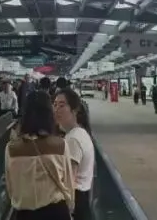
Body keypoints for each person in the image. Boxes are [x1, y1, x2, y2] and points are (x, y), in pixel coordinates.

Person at [5, 90, 74, 220]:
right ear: (49, 115)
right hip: (57, 212)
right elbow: (69, 185)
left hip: (24, 214)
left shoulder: (11, 149)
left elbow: (11, 188)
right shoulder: (60, 145)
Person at [54, 89, 94, 220]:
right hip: (81, 200)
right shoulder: (79, 133)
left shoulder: (73, 139)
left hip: (76, 202)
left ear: (74, 110)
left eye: (62, 105)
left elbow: (69, 180)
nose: (56, 110)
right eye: (55, 105)